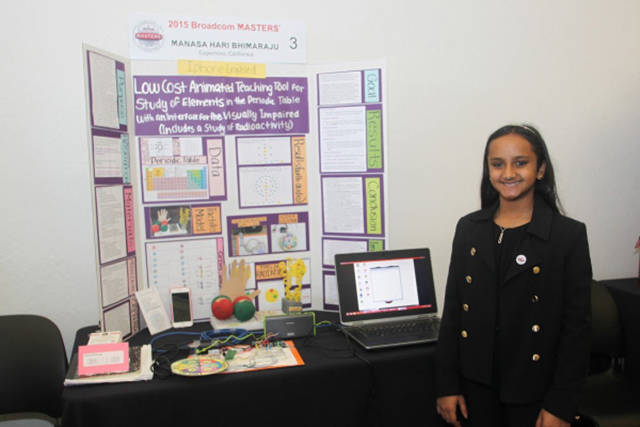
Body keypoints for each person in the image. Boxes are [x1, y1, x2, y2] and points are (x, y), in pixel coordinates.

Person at [435, 124, 592, 427]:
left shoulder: (567, 235)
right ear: (488, 170)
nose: (508, 173)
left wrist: (561, 403)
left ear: (541, 169)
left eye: (520, 163)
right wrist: (446, 385)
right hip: (475, 387)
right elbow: (454, 312)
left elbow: (577, 329)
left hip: (535, 390)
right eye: (497, 164)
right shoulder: (469, 228)